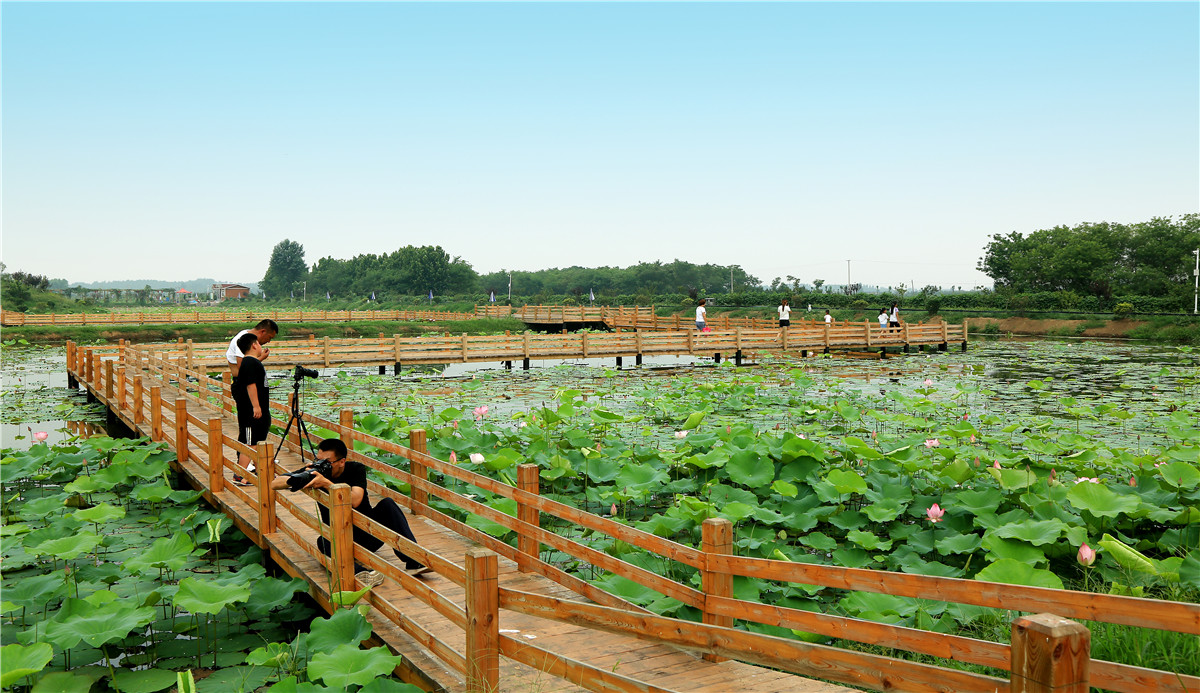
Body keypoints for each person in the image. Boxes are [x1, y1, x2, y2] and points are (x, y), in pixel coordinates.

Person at [271, 438, 429, 586]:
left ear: (342, 462)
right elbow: (275, 483)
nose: (321, 465)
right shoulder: (315, 470)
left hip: (367, 534)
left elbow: (355, 500)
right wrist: (303, 475)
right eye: (318, 459)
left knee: (388, 504)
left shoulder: (356, 469)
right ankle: (362, 574)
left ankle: (413, 560)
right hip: (339, 539)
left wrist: (326, 484)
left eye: (327, 462)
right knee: (323, 541)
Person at [231, 332, 270, 486]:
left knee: (257, 441)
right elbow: (250, 385)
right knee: (251, 442)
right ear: (254, 345)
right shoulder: (249, 363)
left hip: (258, 412)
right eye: (259, 343)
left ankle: (261, 472)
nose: (261, 346)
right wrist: (256, 406)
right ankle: (240, 474)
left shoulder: (252, 363)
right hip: (252, 412)